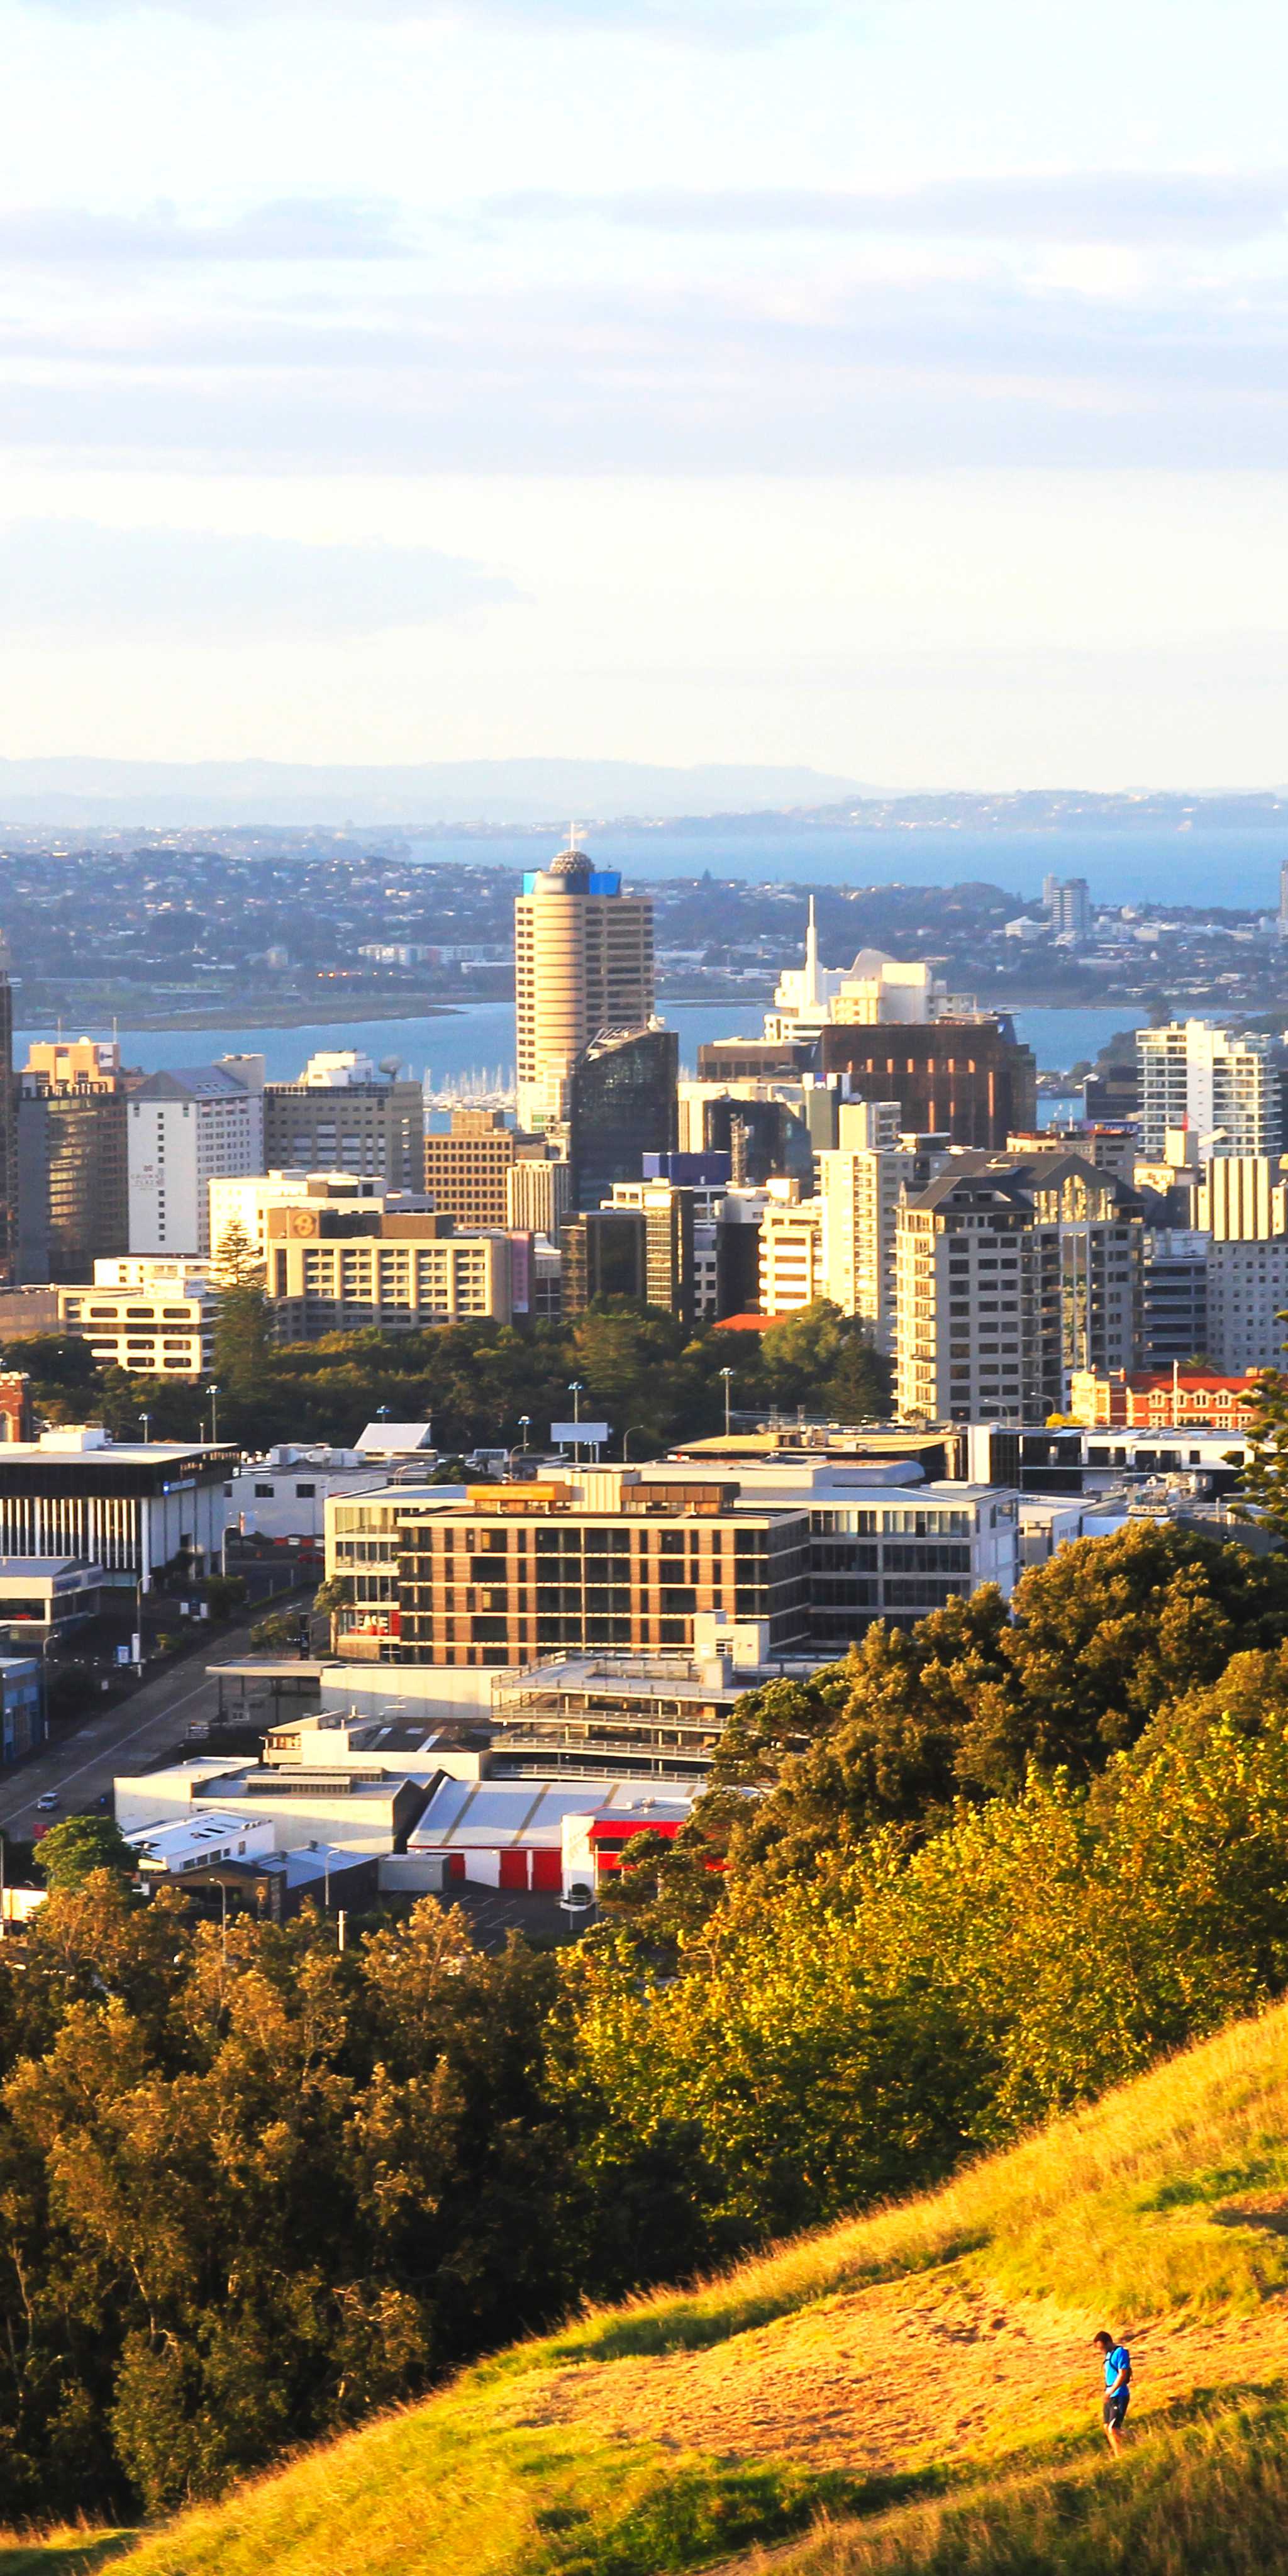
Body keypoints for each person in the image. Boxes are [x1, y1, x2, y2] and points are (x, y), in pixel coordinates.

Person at [1094, 2329, 1131, 2453]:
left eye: (1103, 2347)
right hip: (1110, 2395)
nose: (1102, 2351)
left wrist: (1111, 2391)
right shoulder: (1108, 2355)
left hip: (1119, 2395)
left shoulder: (1120, 2352)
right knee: (1107, 2427)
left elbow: (1122, 2374)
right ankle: (1118, 2455)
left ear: (1109, 2342)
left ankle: (1140, 2439)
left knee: (1114, 2428)